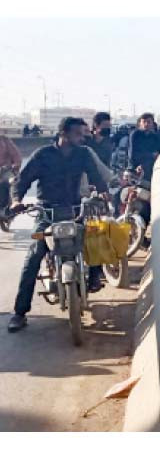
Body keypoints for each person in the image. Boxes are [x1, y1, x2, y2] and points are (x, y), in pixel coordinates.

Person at [6, 117, 109, 332]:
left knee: (95, 237)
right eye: (78, 134)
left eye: (84, 134)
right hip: (47, 212)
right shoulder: (43, 155)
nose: (83, 138)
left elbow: (96, 177)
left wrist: (102, 192)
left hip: (74, 209)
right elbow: (22, 180)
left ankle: (95, 276)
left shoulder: (83, 154)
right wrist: (16, 201)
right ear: (64, 134)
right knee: (33, 255)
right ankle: (20, 312)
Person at [128, 112, 160, 181]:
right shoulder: (135, 135)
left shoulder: (156, 137)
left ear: (153, 124)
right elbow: (132, 155)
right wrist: (151, 155)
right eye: (144, 122)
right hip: (135, 168)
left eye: (149, 122)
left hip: (151, 168)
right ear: (140, 123)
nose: (146, 124)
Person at [0, 135, 23, 210]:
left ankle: (15, 201)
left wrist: (15, 167)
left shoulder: (5, 140)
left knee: (13, 180)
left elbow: (16, 156)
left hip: (5, 170)